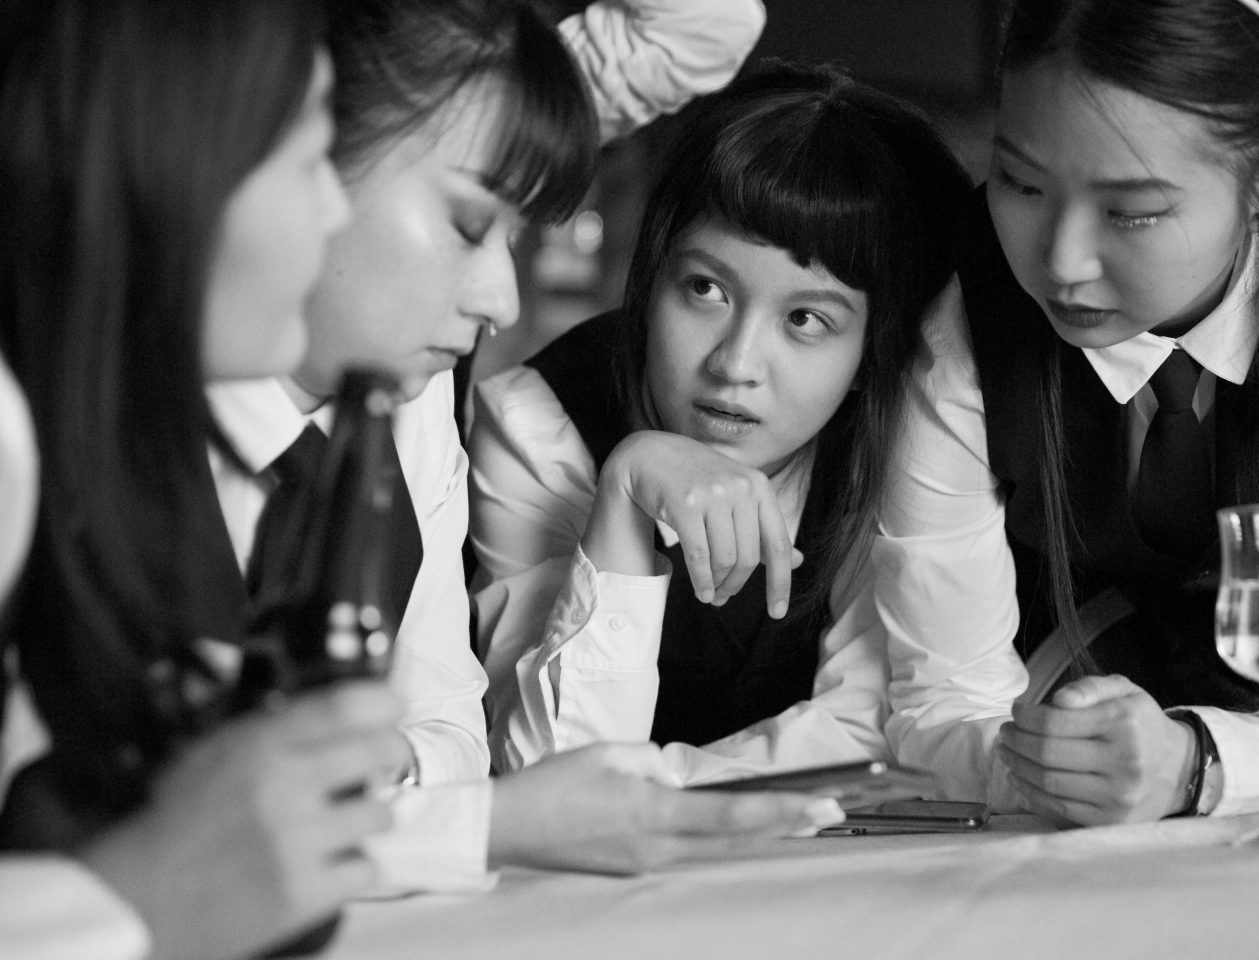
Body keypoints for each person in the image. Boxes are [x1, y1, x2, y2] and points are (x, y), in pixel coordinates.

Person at [204, 0, 837, 890]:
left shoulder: (406, 400)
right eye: (470, 225)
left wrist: (379, 803)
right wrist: (451, 822)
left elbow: (449, 738)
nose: (502, 301)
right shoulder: (75, 429)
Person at [875, 0, 1259, 826]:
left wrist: (1195, 765)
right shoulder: (962, 325)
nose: (1061, 262)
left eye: (1132, 211)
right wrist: (1055, 767)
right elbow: (942, 704)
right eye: (1021, 183)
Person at [0, 1, 406, 958]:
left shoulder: (97, 437)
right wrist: (141, 896)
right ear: (168, 155)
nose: (335, 210)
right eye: (311, 156)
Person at [471, 60, 971, 783]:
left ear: (873, 350)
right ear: (652, 276)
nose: (736, 364)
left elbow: (873, 732)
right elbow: (548, 776)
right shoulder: (539, 422)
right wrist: (623, 496)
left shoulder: (910, 441)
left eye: (805, 320)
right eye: (705, 288)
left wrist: (658, 794)